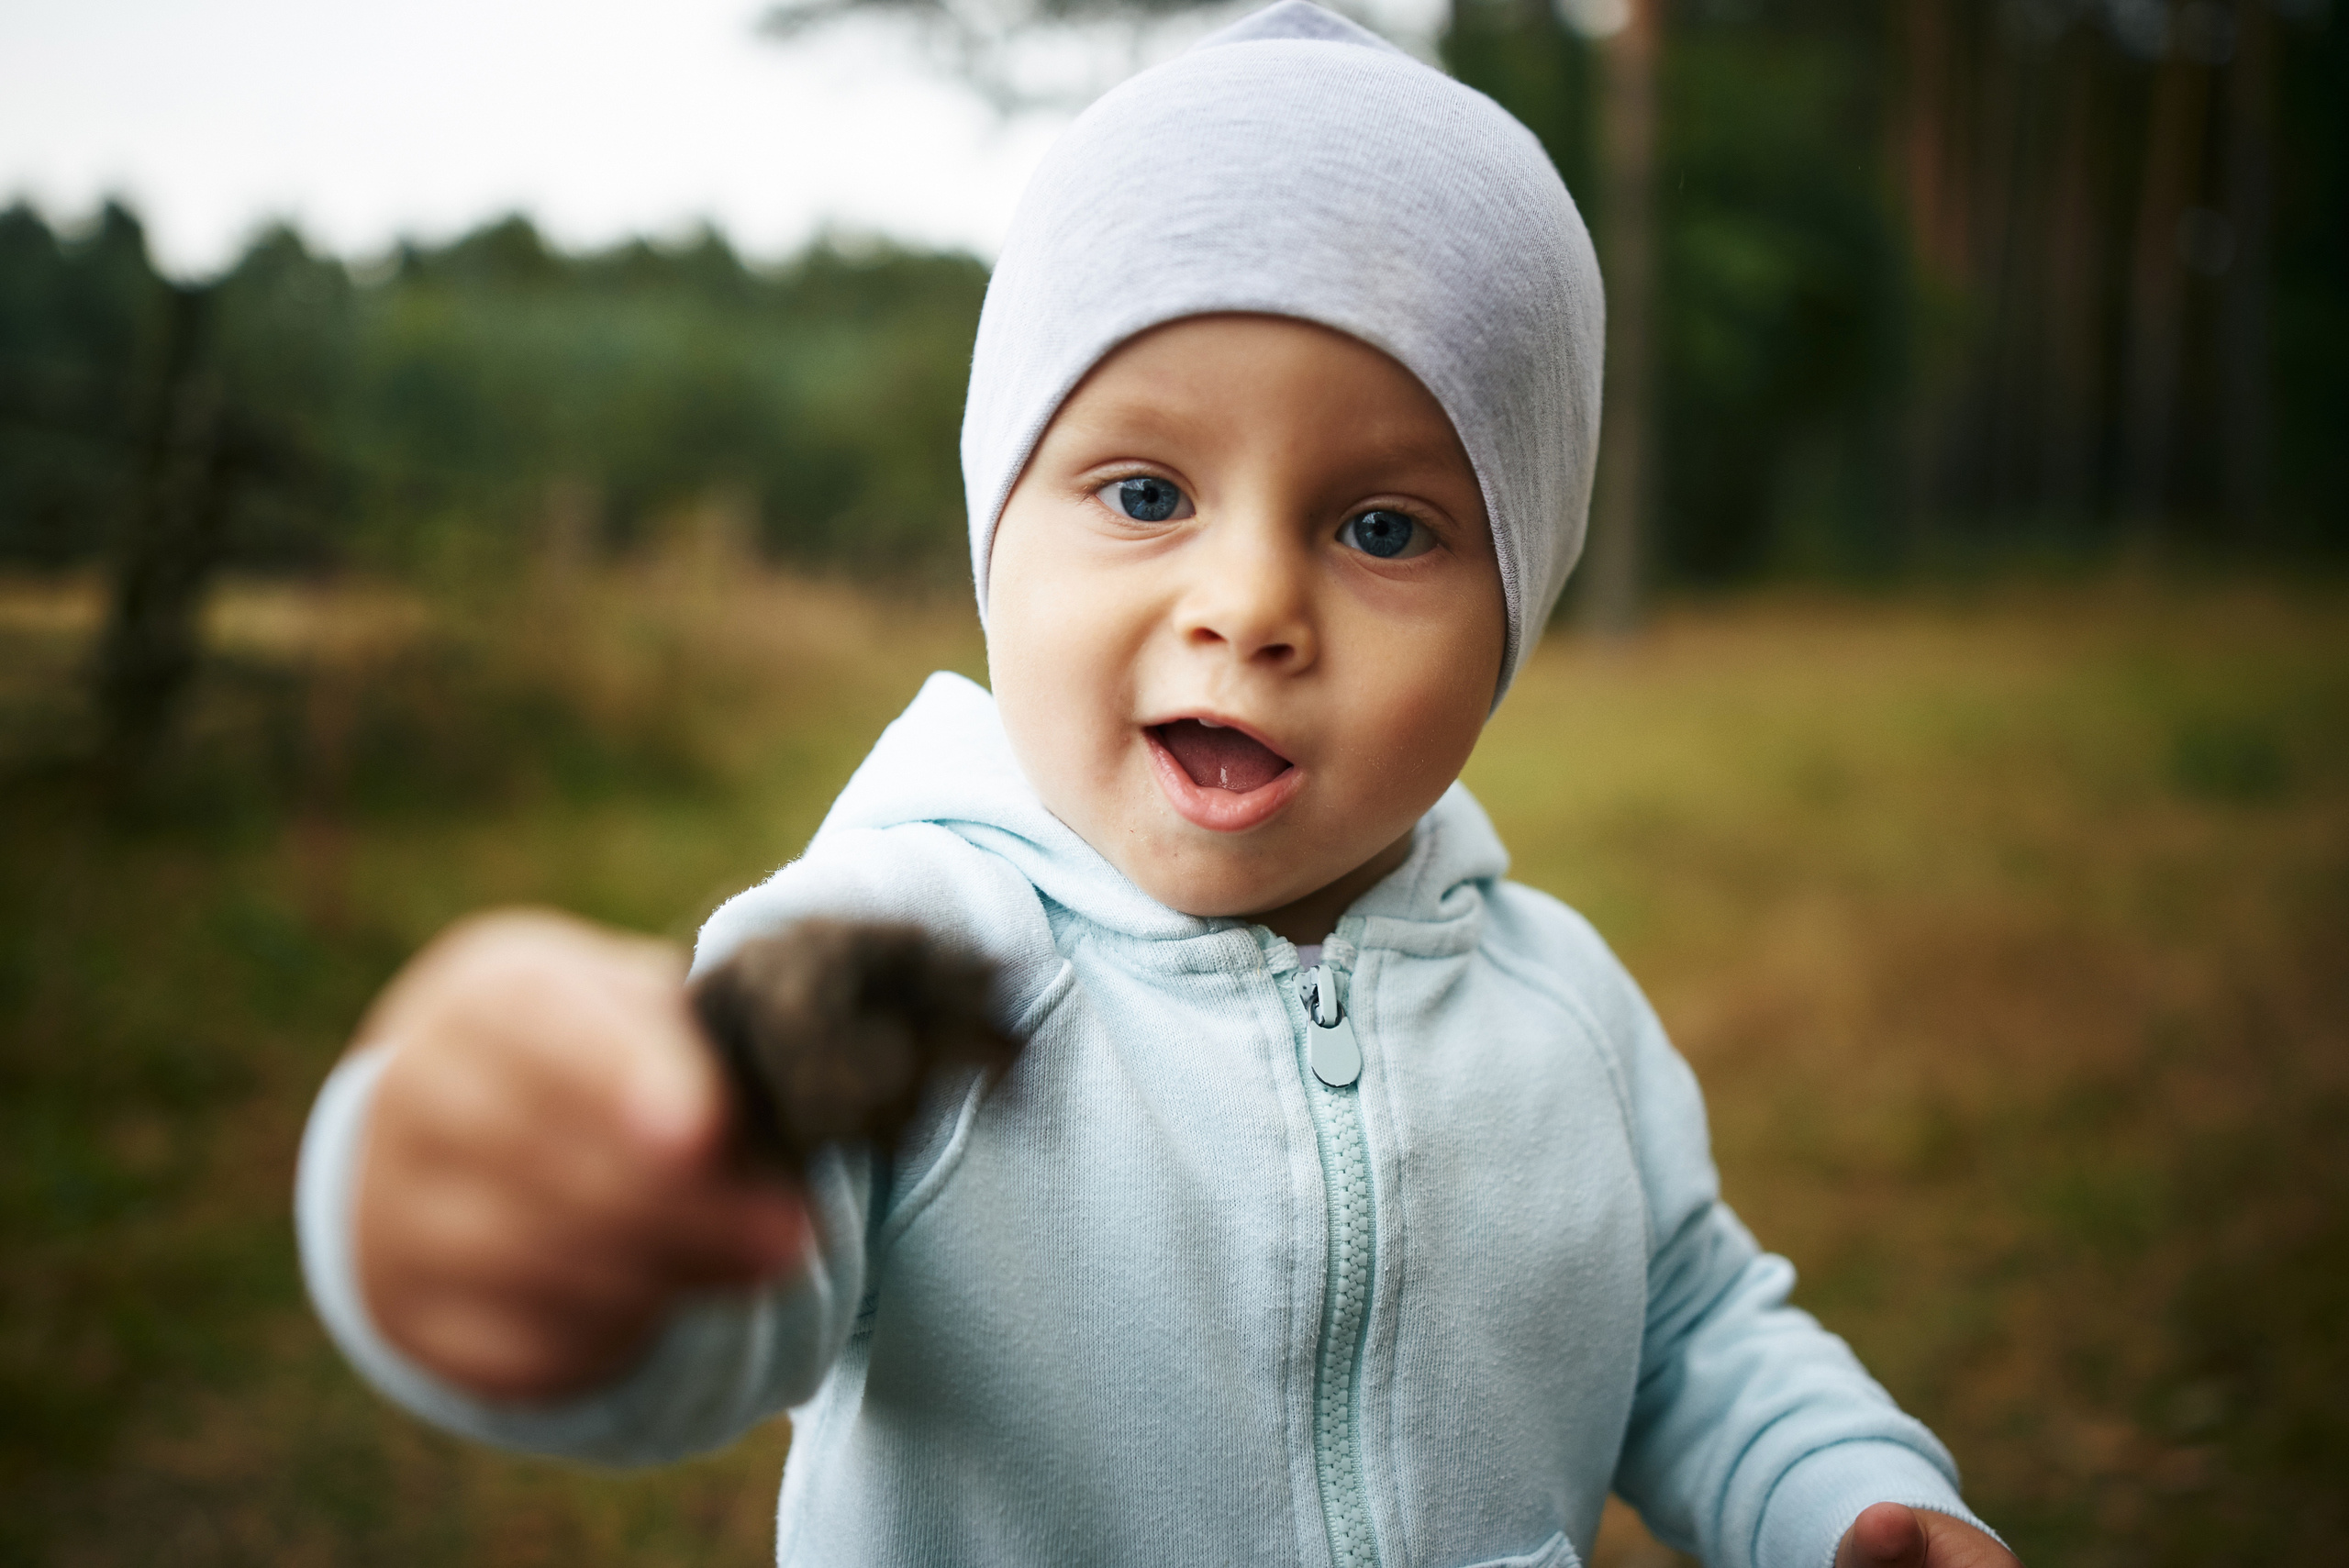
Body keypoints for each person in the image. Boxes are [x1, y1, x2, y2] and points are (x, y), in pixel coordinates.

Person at [296, 6, 2020, 1564]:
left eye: (1384, 526)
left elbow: (1693, 1326)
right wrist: (503, 1244)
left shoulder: (1560, 1005)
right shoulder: (894, 955)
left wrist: (1846, 1490)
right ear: (998, 535)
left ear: (1519, 604)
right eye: (1142, 493)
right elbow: (718, 1287)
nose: (1250, 605)